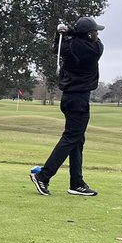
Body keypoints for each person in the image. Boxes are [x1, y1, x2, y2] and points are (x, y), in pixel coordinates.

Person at [30, 17, 105, 197]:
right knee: (71, 138)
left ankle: (76, 183)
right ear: (88, 35)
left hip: (69, 98)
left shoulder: (67, 47)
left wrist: (63, 33)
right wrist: (72, 31)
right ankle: (43, 176)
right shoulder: (93, 50)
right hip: (79, 100)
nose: (97, 34)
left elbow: (57, 46)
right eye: (95, 31)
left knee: (77, 140)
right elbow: (98, 43)